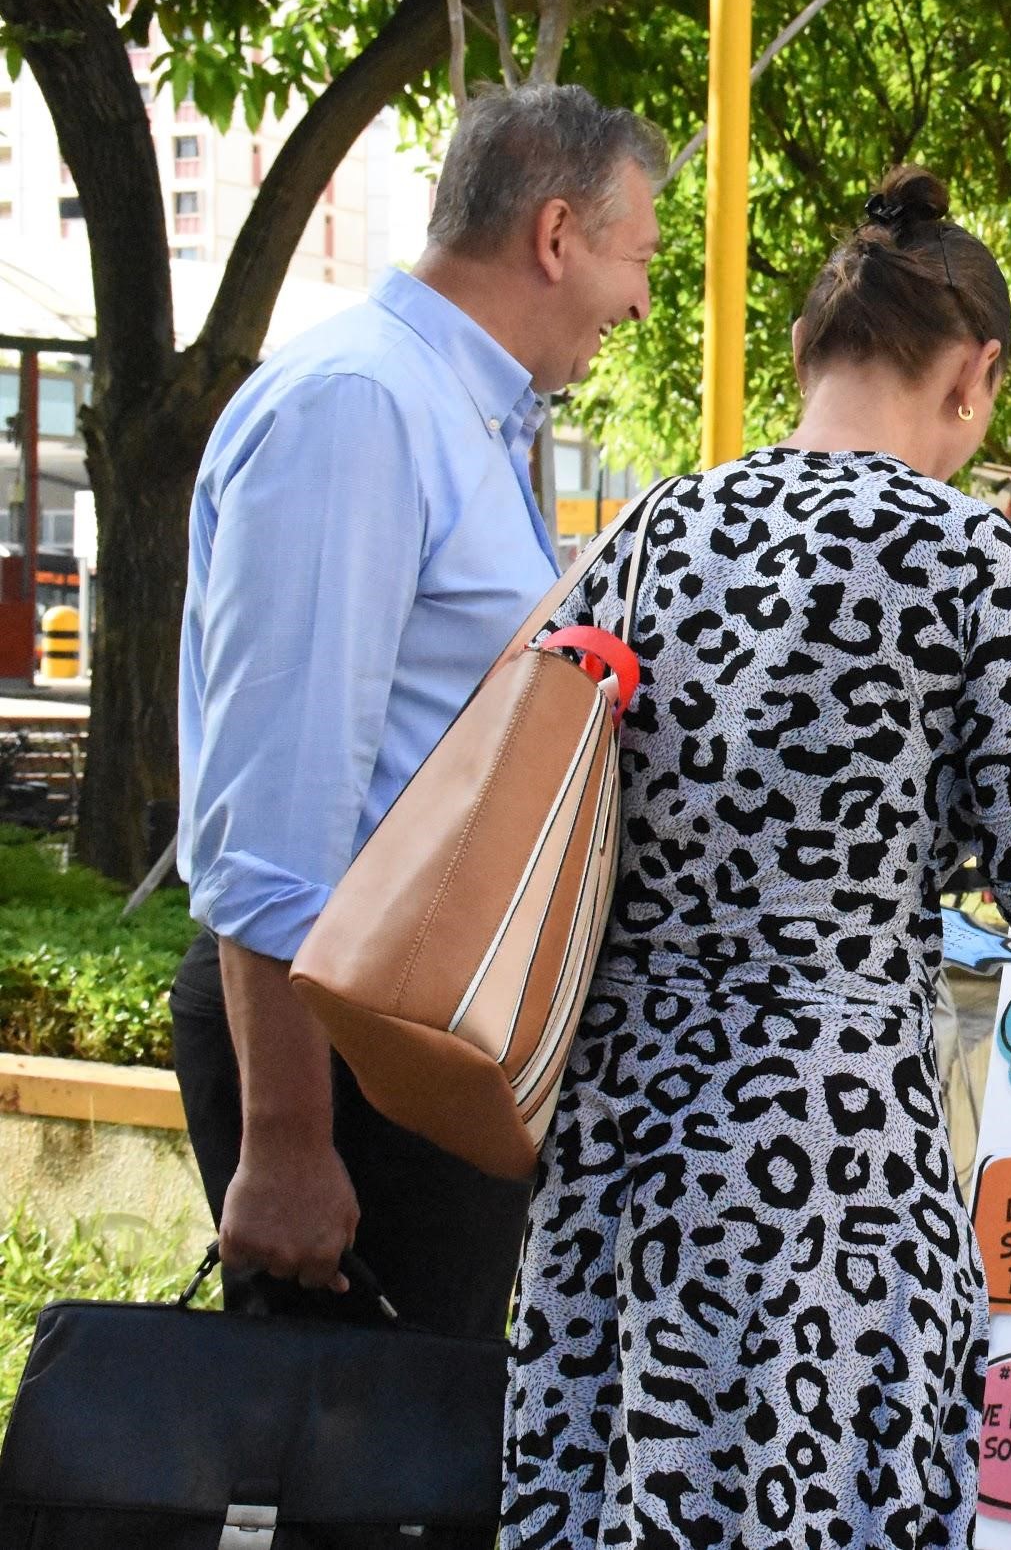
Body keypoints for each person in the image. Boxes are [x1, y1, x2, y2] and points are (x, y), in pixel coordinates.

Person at [502, 165, 1011, 1548]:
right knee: (819, 1493)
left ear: (802, 353)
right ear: (973, 375)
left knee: (632, 1491)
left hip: (625, 1128)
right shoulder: (979, 564)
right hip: (831, 1150)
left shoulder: (650, 532)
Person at [176, 84, 665, 1335]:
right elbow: (278, 804)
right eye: (639, 255)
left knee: (408, 1479)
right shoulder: (362, 406)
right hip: (329, 1049)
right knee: (334, 1479)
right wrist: (287, 1137)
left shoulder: (461, 418)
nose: (642, 302)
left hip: (407, 1026)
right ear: (557, 236)